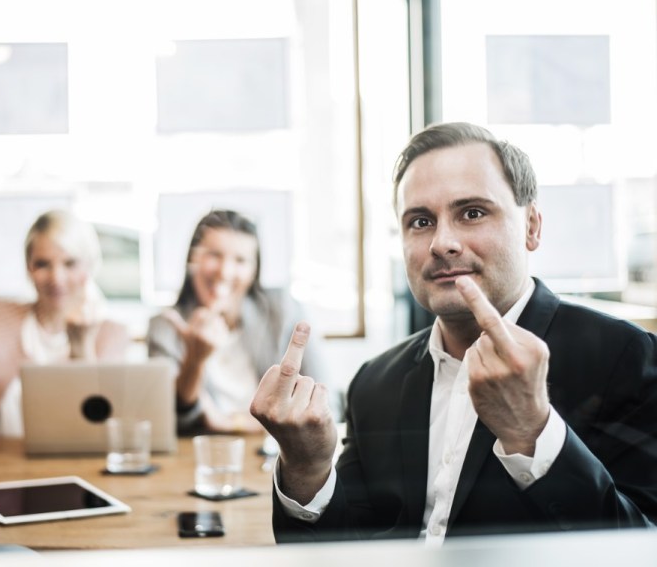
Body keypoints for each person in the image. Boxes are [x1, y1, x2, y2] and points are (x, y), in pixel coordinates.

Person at [250, 122, 657, 543]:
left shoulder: (626, 357)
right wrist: (305, 469)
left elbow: (644, 546)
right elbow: (349, 549)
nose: (442, 243)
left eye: (472, 213)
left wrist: (534, 436)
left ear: (532, 227)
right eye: (421, 221)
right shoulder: (375, 383)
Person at [0, 209, 128, 453]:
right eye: (43, 264)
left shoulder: (111, 335)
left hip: (74, 470)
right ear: (28, 268)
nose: (56, 278)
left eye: (70, 263)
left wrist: (82, 348)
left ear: (89, 267)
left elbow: (100, 428)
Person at [147, 209, 337, 434]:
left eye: (240, 260)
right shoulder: (166, 326)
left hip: (277, 453)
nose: (225, 272)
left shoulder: (283, 310)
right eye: (214, 255)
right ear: (192, 260)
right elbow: (175, 424)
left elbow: (326, 405)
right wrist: (194, 361)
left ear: (254, 270)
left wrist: (233, 424)